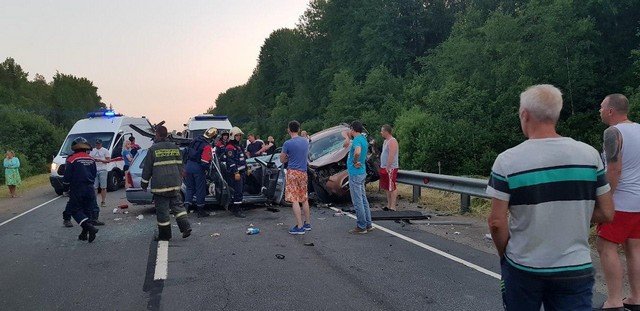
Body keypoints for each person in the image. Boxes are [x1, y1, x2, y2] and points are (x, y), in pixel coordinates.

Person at [486, 84, 614, 311]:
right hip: (574, 266)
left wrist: (506, 255)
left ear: (524, 114)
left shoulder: (507, 161)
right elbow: (607, 212)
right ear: (556, 113)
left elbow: (496, 222)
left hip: (524, 265)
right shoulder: (589, 155)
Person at [596, 94, 640, 310]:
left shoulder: (613, 132)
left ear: (611, 111)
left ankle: (613, 301)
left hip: (620, 200)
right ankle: (636, 298)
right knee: (634, 248)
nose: (600, 110)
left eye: (602, 107)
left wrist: (606, 198)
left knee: (605, 246)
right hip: (638, 200)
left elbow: (615, 169)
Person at [141, 125, 192, 241]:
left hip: (160, 187)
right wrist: (179, 180)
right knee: (178, 207)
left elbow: (147, 169)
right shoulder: (175, 147)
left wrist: (144, 184)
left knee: (163, 211)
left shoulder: (153, 149)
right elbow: (180, 165)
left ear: (158, 135)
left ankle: (165, 235)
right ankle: (186, 227)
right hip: (174, 184)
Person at [62, 137, 99, 243]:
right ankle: (84, 234)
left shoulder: (72, 159)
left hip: (77, 188)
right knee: (88, 210)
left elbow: (67, 176)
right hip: (90, 188)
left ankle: (90, 228)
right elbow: (94, 173)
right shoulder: (91, 159)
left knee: (75, 210)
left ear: (74, 148)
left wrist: (65, 188)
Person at [280, 121, 311, 235]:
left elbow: (282, 159)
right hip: (303, 172)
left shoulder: (287, 144)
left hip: (293, 172)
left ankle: (299, 226)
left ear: (289, 130)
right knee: (304, 198)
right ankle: (307, 223)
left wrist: (288, 157)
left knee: (294, 199)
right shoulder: (305, 142)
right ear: (298, 129)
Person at [343, 121, 372, 234]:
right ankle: (368, 224)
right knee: (363, 199)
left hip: (355, 172)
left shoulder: (357, 140)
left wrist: (355, 161)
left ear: (353, 129)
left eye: (350, 129)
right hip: (362, 172)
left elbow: (357, 152)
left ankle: (361, 226)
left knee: (357, 200)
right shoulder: (363, 139)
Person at [184, 127, 217, 218]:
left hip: (188, 166)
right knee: (200, 189)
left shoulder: (195, 140)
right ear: (213, 137)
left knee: (189, 188)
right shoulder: (207, 146)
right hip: (198, 168)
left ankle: (185, 209)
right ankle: (200, 211)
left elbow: (187, 152)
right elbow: (205, 162)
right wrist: (207, 171)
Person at [224, 126, 248, 218]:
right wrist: (236, 172)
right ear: (232, 136)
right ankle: (236, 210)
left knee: (240, 190)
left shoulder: (238, 146)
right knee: (237, 191)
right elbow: (231, 161)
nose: (239, 137)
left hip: (241, 172)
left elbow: (243, 159)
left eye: (240, 135)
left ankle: (237, 207)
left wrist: (246, 168)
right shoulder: (230, 147)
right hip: (235, 173)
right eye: (237, 135)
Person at [379, 124, 399, 211]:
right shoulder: (385, 141)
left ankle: (393, 206)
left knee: (392, 186)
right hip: (384, 166)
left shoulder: (392, 141)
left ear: (386, 132)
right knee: (387, 187)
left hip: (390, 167)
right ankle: (388, 204)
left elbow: (392, 154)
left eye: (382, 131)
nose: (381, 133)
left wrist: (388, 166)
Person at [90, 139, 110, 207]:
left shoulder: (105, 150)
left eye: (98, 144)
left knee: (103, 187)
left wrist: (100, 160)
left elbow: (108, 160)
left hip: (103, 169)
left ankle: (103, 201)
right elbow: (90, 159)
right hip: (95, 169)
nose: (97, 145)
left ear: (101, 144)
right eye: (96, 144)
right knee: (95, 187)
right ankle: (94, 201)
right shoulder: (92, 151)